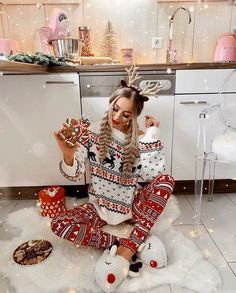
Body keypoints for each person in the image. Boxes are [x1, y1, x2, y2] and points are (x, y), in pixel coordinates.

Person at [51, 66, 175, 292]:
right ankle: (119, 243)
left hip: (131, 208)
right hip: (99, 208)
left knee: (166, 181)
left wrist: (152, 134)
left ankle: (129, 248)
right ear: (110, 104)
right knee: (59, 223)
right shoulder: (92, 132)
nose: (117, 117)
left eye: (126, 114)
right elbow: (74, 172)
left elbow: (152, 174)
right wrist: (68, 154)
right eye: (115, 109)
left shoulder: (140, 139)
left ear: (133, 117)